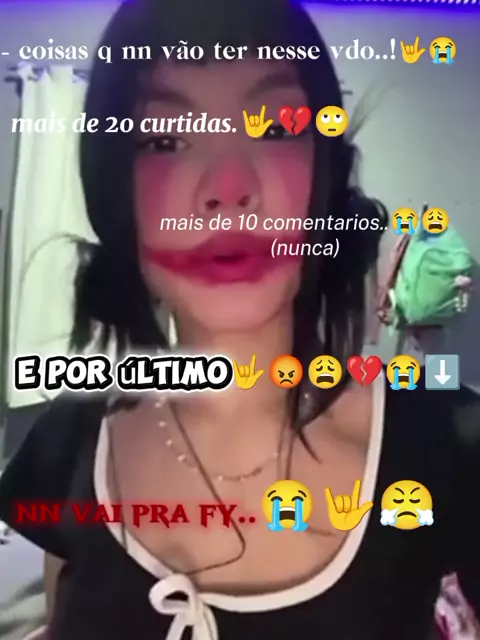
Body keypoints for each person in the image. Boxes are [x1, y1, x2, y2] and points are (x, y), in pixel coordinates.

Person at [0, 0, 479, 638]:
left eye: (277, 127)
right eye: (163, 140)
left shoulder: (451, 440)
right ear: (114, 190)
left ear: (324, 175)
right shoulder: (67, 445)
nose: (228, 188)